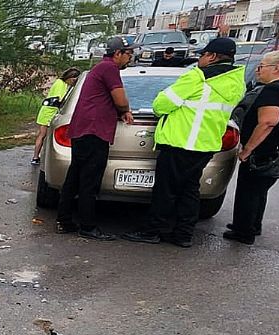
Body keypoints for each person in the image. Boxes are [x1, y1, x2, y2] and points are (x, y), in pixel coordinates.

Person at [123, 38, 246, 247]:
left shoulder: (198, 78)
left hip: (181, 142)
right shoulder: (237, 83)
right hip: (205, 145)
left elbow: (161, 105)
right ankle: (183, 234)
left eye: (203, 55)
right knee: (190, 191)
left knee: (166, 191)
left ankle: (152, 231)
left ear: (213, 56)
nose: (200, 59)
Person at [56, 37, 136, 240]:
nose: (130, 58)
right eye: (128, 54)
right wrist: (125, 110)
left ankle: (65, 220)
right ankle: (88, 226)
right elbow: (120, 99)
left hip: (84, 130)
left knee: (75, 177)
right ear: (117, 53)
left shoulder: (99, 69)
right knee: (89, 181)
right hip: (94, 132)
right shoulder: (109, 69)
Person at [225, 50, 279, 244]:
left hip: (265, 150)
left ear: (276, 68)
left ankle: (243, 231)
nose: (258, 71)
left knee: (249, 191)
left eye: (262, 66)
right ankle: (253, 224)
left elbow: (268, 121)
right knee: (260, 190)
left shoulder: (273, 89)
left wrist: (248, 149)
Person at [31, 67, 81, 165]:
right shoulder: (60, 84)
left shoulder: (64, 85)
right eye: (74, 80)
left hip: (52, 112)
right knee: (42, 135)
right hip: (48, 112)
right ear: (70, 77)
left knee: (48, 137)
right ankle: (35, 157)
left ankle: (43, 156)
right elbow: (59, 99)